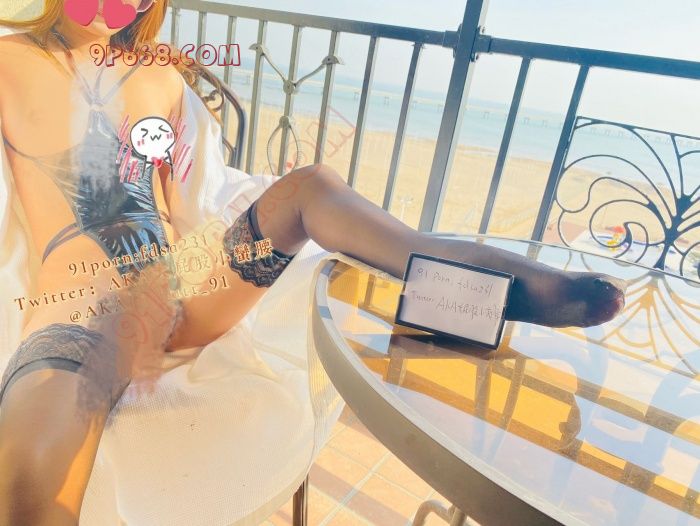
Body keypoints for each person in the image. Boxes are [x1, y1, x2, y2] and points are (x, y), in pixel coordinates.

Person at [0, 0, 626, 524]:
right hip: (80, 303)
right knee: (33, 470)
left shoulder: (159, 78)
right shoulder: (9, 60)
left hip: (185, 280)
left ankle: (490, 284)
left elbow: (184, 197)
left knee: (310, 187)